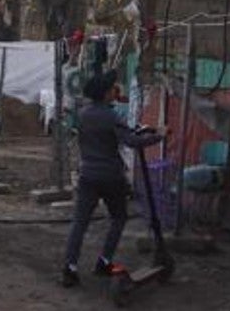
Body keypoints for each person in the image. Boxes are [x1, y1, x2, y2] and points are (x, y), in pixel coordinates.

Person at [60, 69, 161, 288]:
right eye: (111, 89)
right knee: (119, 217)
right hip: (110, 176)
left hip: (87, 173)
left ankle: (70, 267)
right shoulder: (112, 116)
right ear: (105, 94)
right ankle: (104, 261)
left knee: (80, 222)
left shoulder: (84, 114)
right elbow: (131, 142)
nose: (114, 92)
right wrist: (158, 136)